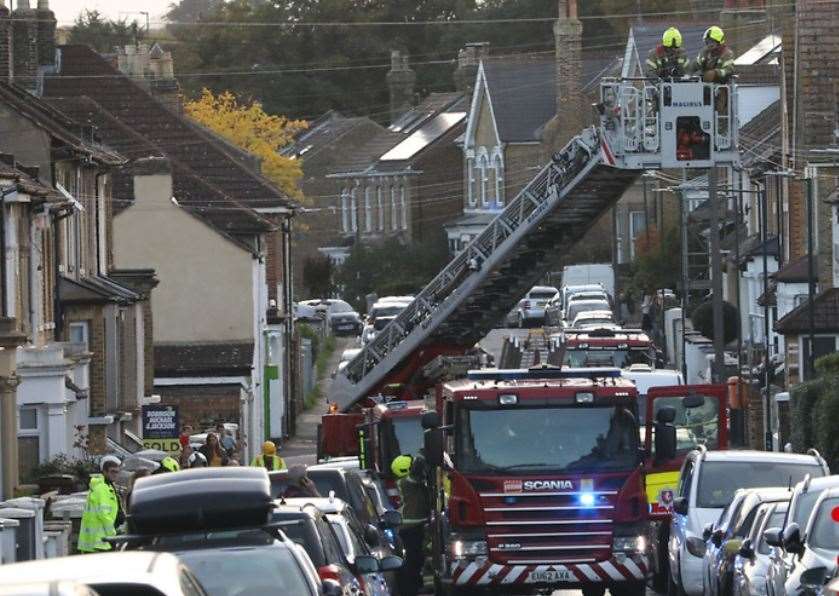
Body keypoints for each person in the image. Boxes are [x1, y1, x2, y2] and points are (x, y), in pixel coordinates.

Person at [396, 454, 431, 596]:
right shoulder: (406, 482)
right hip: (411, 528)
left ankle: (416, 586)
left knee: (417, 559)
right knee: (413, 559)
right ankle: (412, 588)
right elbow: (414, 478)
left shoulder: (408, 483)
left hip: (414, 526)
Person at [78, 456, 123, 553]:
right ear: (105, 472)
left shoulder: (107, 486)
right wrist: (112, 533)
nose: (115, 475)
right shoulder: (102, 488)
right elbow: (104, 514)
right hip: (101, 540)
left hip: (98, 539)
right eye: (112, 472)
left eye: (117, 472)